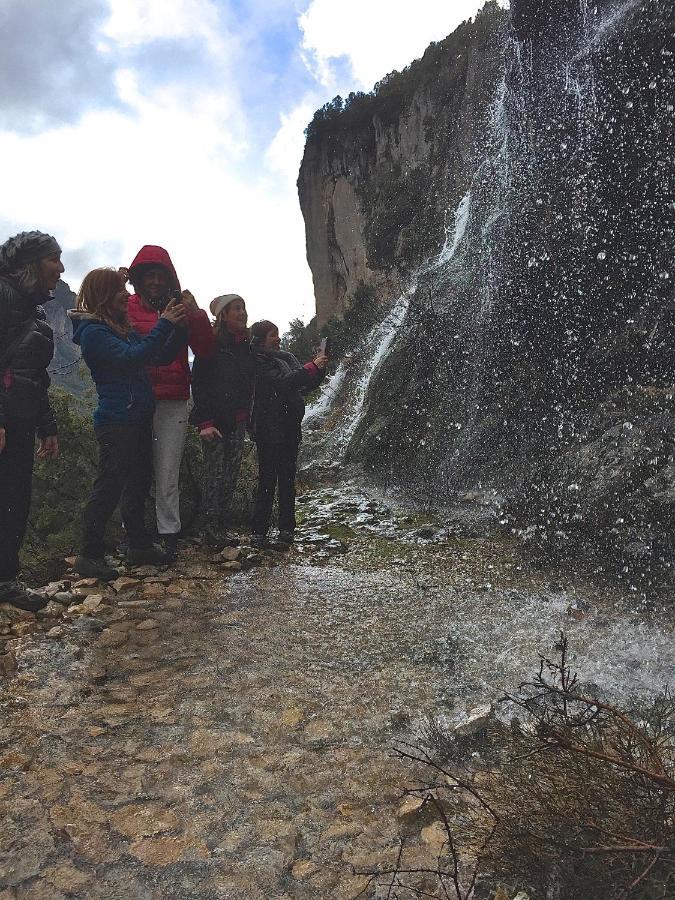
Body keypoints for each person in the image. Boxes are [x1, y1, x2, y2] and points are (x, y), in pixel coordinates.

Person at [70, 268, 186, 579]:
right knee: (109, 486)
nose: (126, 295)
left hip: (135, 418)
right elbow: (132, 357)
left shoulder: (118, 327)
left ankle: (139, 546)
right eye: (120, 290)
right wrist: (164, 324)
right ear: (104, 295)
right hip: (116, 422)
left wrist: (179, 328)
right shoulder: (94, 333)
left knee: (137, 483)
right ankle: (89, 554)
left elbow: (156, 355)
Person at [126, 245, 214, 560]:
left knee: (167, 471)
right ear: (137, 279)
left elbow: (204, 348)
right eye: (147, 276)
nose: (154, 282)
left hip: (173, 399)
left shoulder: (181, 308)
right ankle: (136, 537)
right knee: (134, 471)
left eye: (159, 276)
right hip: (135, 398)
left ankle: (168, 536)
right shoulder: (125, 307)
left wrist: (197, 313)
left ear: (169, 279)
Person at [0, 232, 62, 611]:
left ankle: (6, 579)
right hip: (6, 420)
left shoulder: (32, 308)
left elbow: (34, 375)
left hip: (20, 421)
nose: (60, 267)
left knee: (14, 500)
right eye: (54, 259)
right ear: (32, 263)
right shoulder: (4, 298)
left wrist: (48, 425)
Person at [249, 320, 327, 548]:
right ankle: (259, 531)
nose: (278, 339)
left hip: (289, 425)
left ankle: (286, 529)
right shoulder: (259, 360)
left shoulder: (286, 359)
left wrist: (319, 370)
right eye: (273, 335)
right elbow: (282, 383)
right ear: (262, 339)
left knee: (287, 478)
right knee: (267, 479)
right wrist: (310, 367)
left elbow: (303, 386)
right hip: (268, 426)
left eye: (278, 334)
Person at [189, 294, 255, 550]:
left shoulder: (246, 346)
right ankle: (209, 532)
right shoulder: (212, 345)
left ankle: (221, 529)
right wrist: (204, 421)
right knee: (214, 476)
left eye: (244, 307)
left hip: (238, 421)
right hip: (215, 422)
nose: (242, 313)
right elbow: (200, 383)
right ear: (223, 316)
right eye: (236, 309)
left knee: (229, 476)